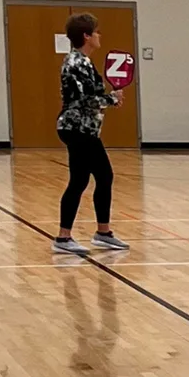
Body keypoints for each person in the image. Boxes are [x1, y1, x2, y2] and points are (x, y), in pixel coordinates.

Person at [52, 13, 130, 255]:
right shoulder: (77, 63)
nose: (99, 36)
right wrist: (112, 99)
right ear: (86, 36)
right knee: (101, 176)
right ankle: (71, 238)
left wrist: (108, 98)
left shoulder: (83, 62)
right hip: (78, 128)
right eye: (96, 32)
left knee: (83, 179)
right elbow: (86, 99)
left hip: (82, 128)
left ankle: (95, 234)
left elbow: (89, 95)